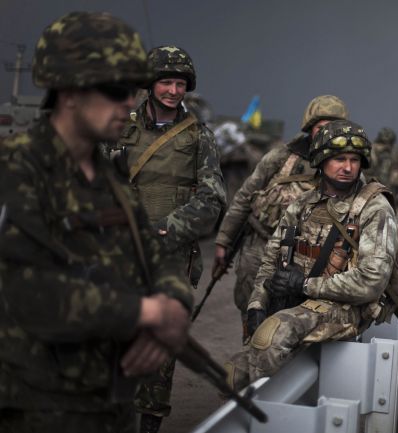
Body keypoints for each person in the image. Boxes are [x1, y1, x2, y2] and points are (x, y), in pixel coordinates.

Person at [0, 12, 193, 433]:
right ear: (70, 92)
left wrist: (174, 304)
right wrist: (144, 312)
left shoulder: (109, 179)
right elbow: (28, 292)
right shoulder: (18, 170)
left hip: (105, 403)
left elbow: (156, 253)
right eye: (116, 90)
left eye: (132, 90)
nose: (129, 102)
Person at [224, 119, 398, 391]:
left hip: (344, 308)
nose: (348, 167)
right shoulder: (302, 205)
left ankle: (274, 415)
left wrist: (305, 285)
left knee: (273, 336)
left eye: (354, 159)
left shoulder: (374, 208)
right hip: (299, 300)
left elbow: (371, 280)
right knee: (234, 372)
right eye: (339, 158)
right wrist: (257, 303)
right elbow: (270, 260)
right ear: (321, 159)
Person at [115, 45, 226, 432]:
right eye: (166, 81)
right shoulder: (119, 127)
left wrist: (169, 229)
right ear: (151, 84)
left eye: (180, 83)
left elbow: (213, 197)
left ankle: (148, 423)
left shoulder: (199, 137)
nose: (173, 90)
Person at [213, 95, 348, 339]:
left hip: (309, 258)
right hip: (259, 247)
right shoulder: (281, 157)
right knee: (252, 312)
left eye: (332, 127)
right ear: (309, 128)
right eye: (320, 127)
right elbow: (244, 197)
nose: (325, 133)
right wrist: (224, 240)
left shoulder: (345, 167)